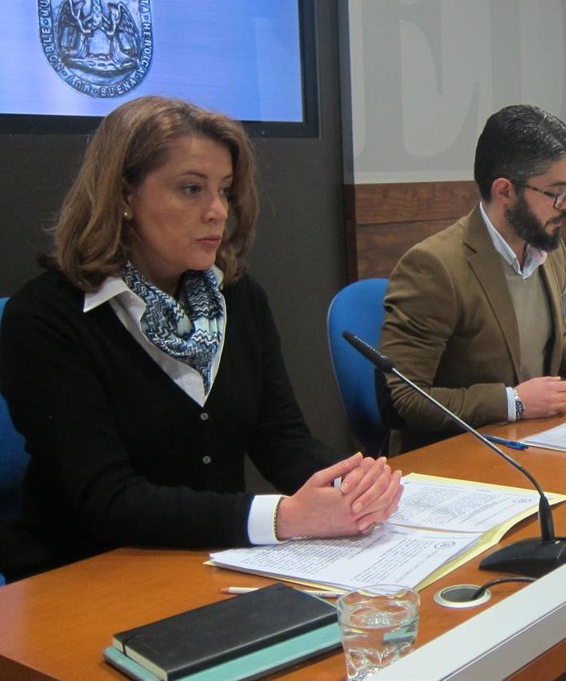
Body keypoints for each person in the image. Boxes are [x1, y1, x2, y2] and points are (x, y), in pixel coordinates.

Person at [0, 96, 402, 581]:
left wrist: (351, 480)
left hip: (213, 560)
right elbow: (109, 499)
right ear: (124, 195)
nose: (217, 212)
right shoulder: (45, 318)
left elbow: (280, 438)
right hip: (84, 575)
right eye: (191, 189)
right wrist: (284, 517)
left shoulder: (237, 296)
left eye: (226, 191)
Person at [380, 104, 566, 450]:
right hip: (462, 456)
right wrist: (512, 402)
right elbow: (403, 400)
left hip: (536, 440)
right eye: (556, 192)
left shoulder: (547, 248)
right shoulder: (434, 266)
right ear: (505, 191)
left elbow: (549, 338)